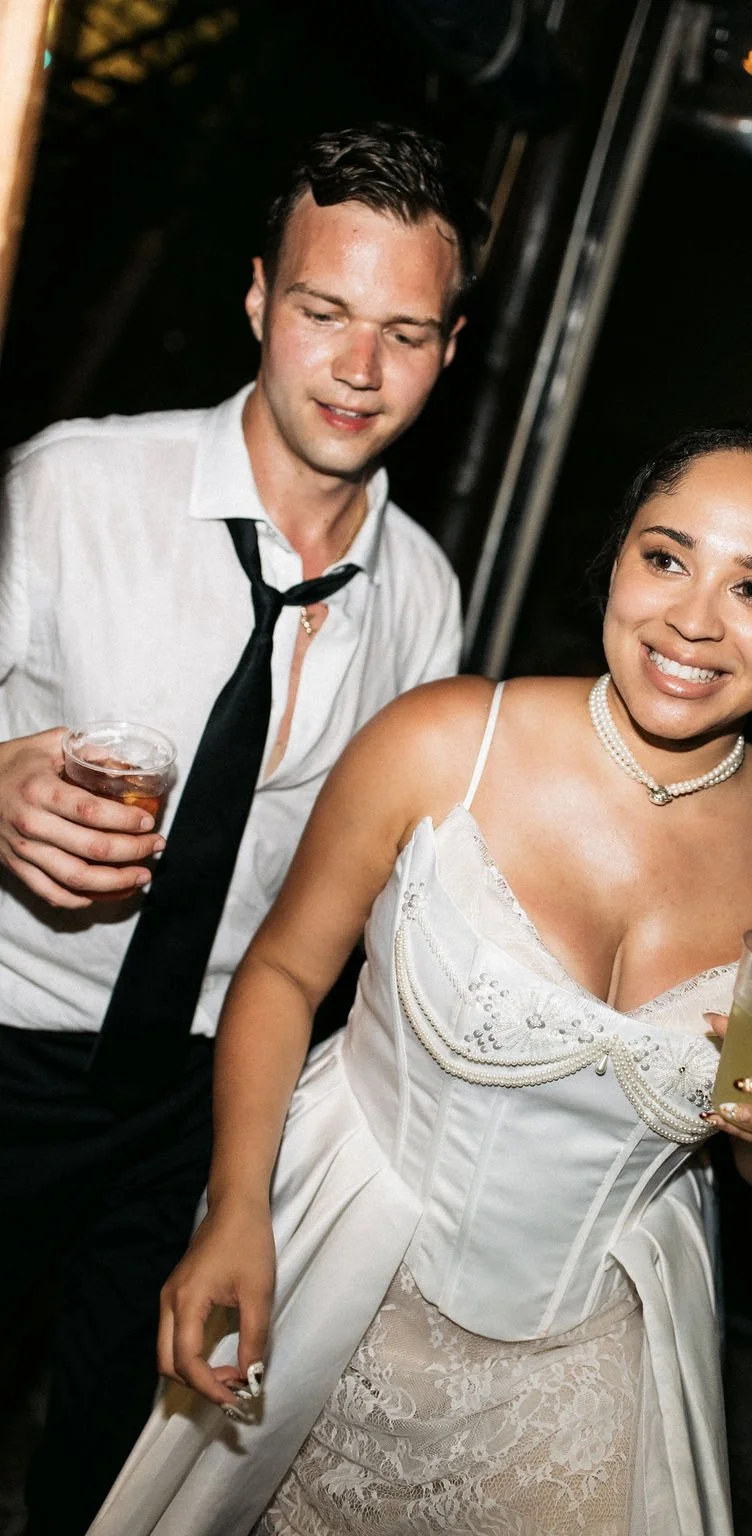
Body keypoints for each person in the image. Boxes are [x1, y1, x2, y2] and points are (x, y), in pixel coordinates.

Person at [89, 425, 752, 1536]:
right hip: (329, 1283)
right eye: (664, 558)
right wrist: (235, 1210)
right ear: (615, 561)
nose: (693, 619)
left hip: (588, 1369)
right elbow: (279, 971)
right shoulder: (444, 738)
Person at [0, 124, 488, 1536]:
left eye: (404, 333)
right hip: (11, 1037)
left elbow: (368, 906)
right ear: (260, 298)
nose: (356, 368)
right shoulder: (72, 488)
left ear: (449, 354)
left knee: (109, 1478)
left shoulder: (426, 601)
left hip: (209, 1098)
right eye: (326, 313)